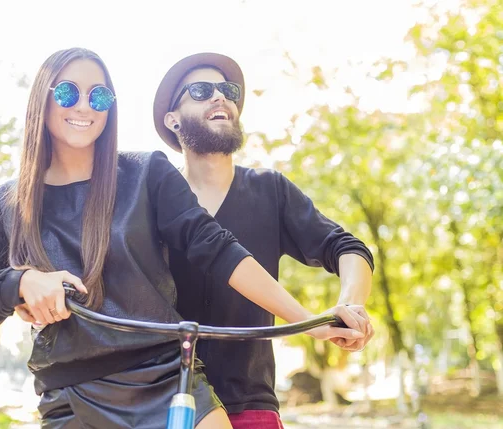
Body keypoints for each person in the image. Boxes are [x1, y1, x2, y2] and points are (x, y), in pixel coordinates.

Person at [0, 47, 369, 429]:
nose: (83, 106)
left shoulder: (145, 173)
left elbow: (218, 248)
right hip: (69, 391)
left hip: (169, 375)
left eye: (99, 96)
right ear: (42, 99)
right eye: (67, 92)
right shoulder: (7, 202)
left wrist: (311, 324)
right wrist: (21, 283)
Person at [153, 52, 375, 429]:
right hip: (163, 399)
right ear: (172, 120)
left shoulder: (269, 190)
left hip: (250, 403)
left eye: (227, 90)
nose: (220, 97)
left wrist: (348, 307)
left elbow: (348, 248)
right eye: (202, 90)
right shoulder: (153, 197)